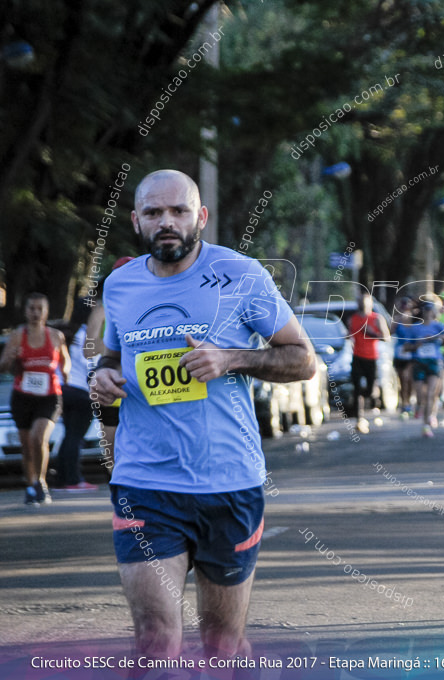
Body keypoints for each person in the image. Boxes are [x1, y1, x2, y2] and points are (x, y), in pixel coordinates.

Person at [91, 169, 316, 659]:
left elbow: (303, 359)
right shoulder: (120, 285)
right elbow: (113, 356)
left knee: (222, 646)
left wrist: (230, 358)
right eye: (153, 213)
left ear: (201, 216)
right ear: (136, 221)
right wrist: (103, 377)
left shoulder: (242, 275)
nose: (166, 222)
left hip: (228, 483)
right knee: (155, 638)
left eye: (178, 211)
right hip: (144, 483)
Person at [0, 293, 70, 505]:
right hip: (22, 396)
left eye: (40, 309)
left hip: (49, 396)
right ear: (26, 310)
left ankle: (41, 482)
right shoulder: (17, 336)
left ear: (46, 312)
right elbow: (3, 366)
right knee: (26, 445)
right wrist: (11, 359)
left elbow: (66, 362)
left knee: (38, 438)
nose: (36, 313)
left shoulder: (56, 336)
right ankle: (31, 485)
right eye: (32, 308)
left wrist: (65, 373)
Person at [83, 256, 135, 476]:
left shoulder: (150, 303)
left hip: (143, 386)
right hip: (112, 385)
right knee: (113, 452)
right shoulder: (104, 309)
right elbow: (88, 350)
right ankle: (120, 497)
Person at [52, 297, 98, 491]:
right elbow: (92, 365)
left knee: (69, 435)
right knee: (75, 437)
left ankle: (62, 479)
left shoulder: (67, 333)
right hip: (80, 393)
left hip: (62, 391)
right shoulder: (86, 335)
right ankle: (73, 479)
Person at [347, 292, 391, 434]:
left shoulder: (376, 318)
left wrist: (372, 333)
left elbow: (387, 337)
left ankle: (371, 395)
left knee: (371, 390)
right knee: (357, 387)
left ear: (370, 303)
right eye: (359, 301)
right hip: (357, 357)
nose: (362, 304)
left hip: (371, 358)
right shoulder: (352, 319)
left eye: (364, 302)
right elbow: (349, 336)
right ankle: (359, 418)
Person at [409, 301, 444, 437]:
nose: (428, 312)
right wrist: (417, 345)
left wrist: (435, 337)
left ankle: (426, 424)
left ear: (433, 312)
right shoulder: (415, 328)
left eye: (430, 309)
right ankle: (419, 407)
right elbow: (406, 346)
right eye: (425, 309)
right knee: (420, 395)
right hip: (419, 362)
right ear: (422, 311)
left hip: (434, 362)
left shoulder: (438, 326)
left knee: (431, 394)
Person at [390, 296, 417, 418]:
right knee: (402, 380)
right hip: (399, 352)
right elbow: (390, 332)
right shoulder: (397, 319)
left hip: (411, 352)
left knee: (409, 378)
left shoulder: (415, 319)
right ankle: (404, 402)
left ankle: (409, 401)